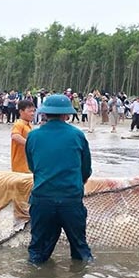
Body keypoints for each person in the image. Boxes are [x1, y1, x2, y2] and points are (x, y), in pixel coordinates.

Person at [24, 94, 93, 264]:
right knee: (80, 250)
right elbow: (86, 169)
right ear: (67, 115)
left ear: (45, 114)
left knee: (37, 253)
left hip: (42, 200)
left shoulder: (33, 136)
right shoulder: (77, 135)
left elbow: (32, 167)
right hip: (70, 199)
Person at [10, 99, 36, 173]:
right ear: (21, 112)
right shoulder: (19, 124)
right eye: (29, 111)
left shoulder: (29, 125)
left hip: (28, 164)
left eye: (33, 111)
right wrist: (29, 144)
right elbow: (15, 136)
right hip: (20, 166)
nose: (32, 113)